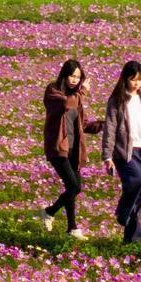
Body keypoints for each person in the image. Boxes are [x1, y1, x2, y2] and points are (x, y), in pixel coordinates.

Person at [41, 59, 103, 240]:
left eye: (78, 77)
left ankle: (71, 228)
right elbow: (66, 104)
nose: (75, 80)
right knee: (74, 186)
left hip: (74, 149)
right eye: (72, 75)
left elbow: (83, 124)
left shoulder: (76, 98)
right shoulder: (53, 91)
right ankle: (50, 212)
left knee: (73, 188)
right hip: (58, 147)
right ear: (64, 74)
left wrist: (105, 125)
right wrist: (83, 91)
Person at [101, 60, 141, 244]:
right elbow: (110, 128)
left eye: (140, 80)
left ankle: (133, 239)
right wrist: (107, 156)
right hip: (124, 152)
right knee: (138, 180)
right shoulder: (117, 100)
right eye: (133, 79)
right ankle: (122, 212)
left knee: (140, 195)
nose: (136, 83)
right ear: (125, 79)